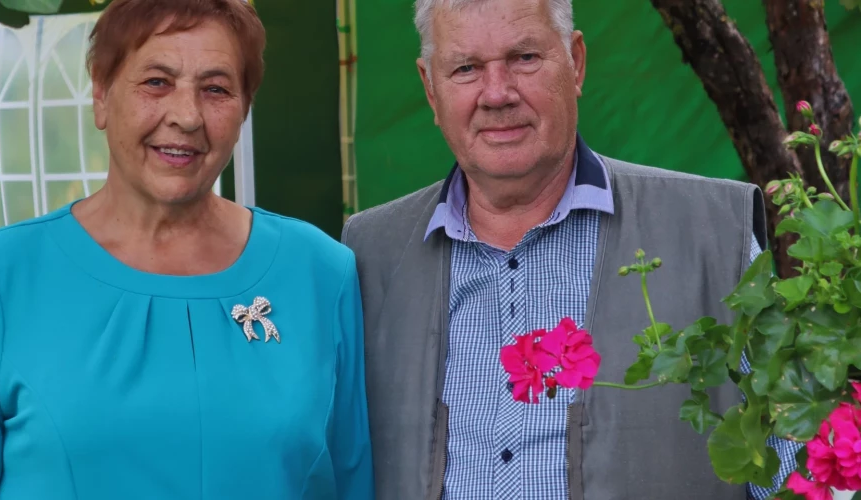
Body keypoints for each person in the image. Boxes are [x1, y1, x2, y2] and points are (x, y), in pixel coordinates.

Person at [0, 1, 373, 499]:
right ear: (101, 94)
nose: (187, 116)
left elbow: (354, 483)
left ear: (245, 107)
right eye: (156, 82)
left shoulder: (321, 273)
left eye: (215, 89)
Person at [340, 0, 799, 499]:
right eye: (466, 68)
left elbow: (790, 472)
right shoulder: (368, 257)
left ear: (576, 62)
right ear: (431, 88)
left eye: (524, 58)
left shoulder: (712, 234)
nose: (497, 93)